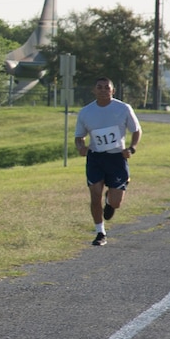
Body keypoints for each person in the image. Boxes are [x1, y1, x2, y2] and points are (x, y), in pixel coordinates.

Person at [72, 77, 140, 246]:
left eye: (106, 88)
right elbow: (79, 136)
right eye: (99, 87)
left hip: (117, 157)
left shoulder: (123, 108)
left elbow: (136, 130)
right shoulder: (86, 111)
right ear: (94, 90)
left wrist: (131, 148)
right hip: (96, 157)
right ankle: (100, 232)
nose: (103, 90)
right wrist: (80, 146)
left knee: (116, 202)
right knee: (95, 195)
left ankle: (110, 200)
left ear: (112, 90)